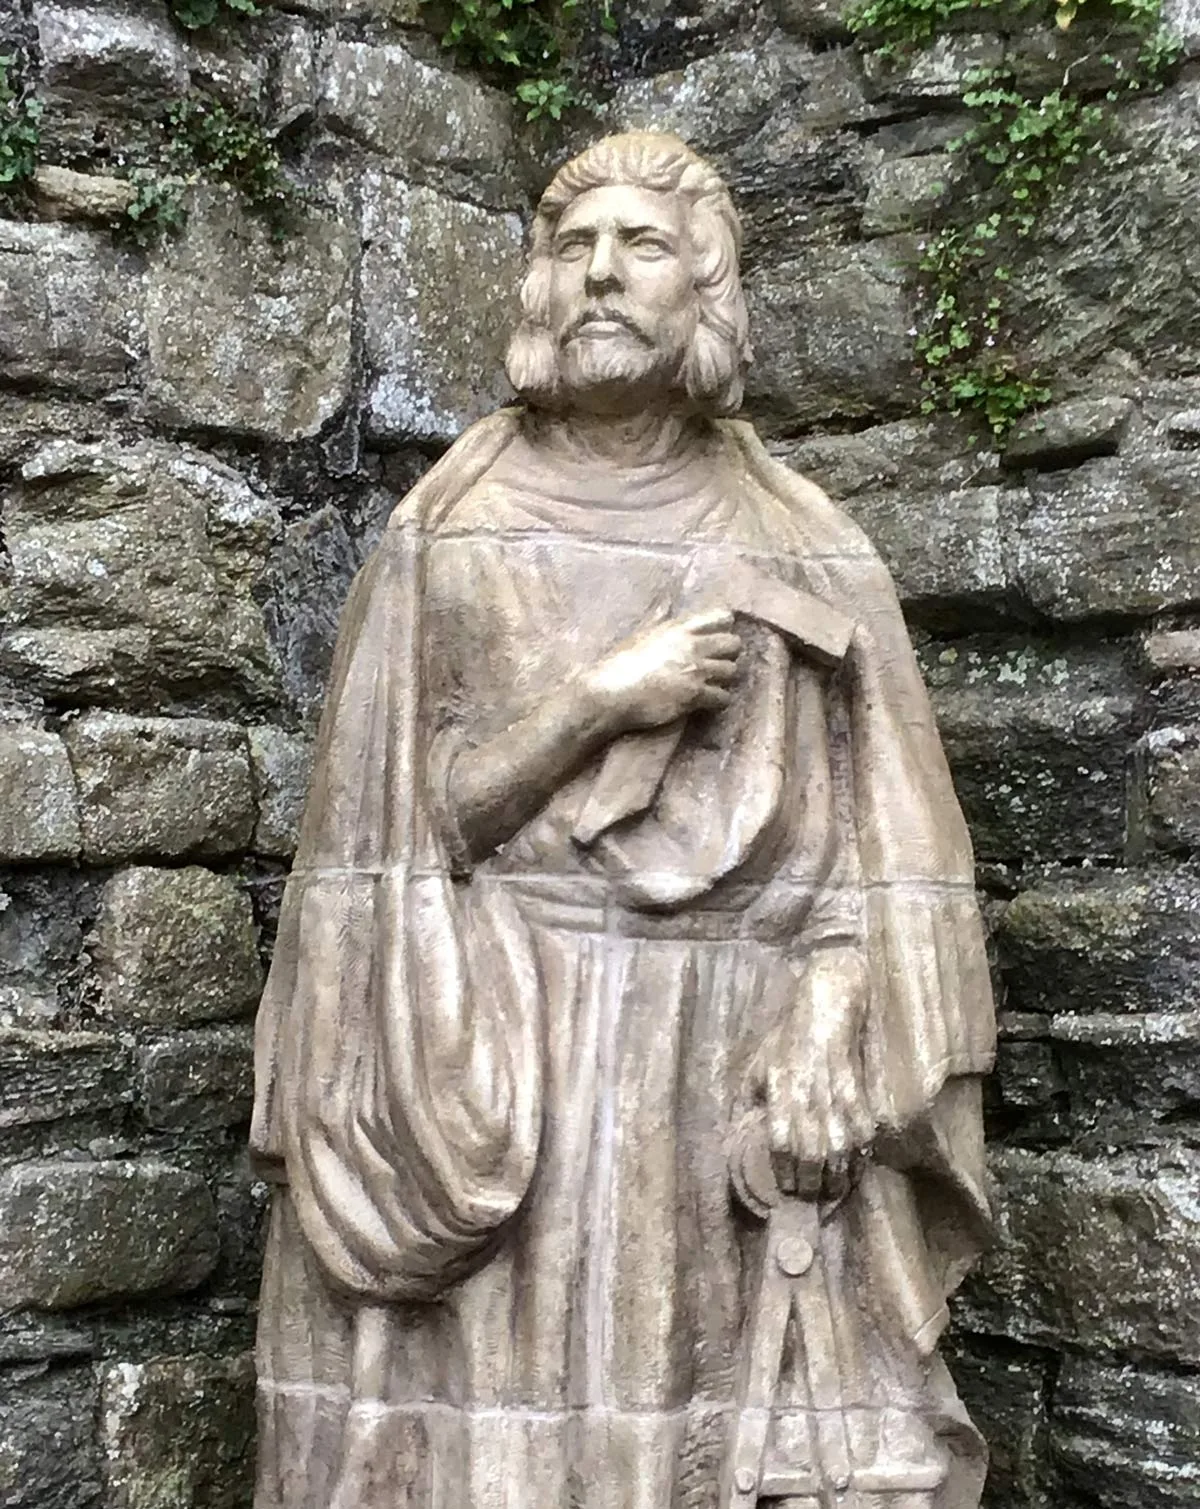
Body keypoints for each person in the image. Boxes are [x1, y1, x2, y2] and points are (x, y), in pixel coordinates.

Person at [250, 131, 996, 1509]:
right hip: (493, 1042)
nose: (599, 276)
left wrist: (833, 1016)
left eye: (640, 247)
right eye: (571, 247)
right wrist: (602, 696)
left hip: (712, 1055)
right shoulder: (450, 529)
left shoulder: (804, 541)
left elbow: (891, 875)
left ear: (704, 289)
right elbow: (399, 836)